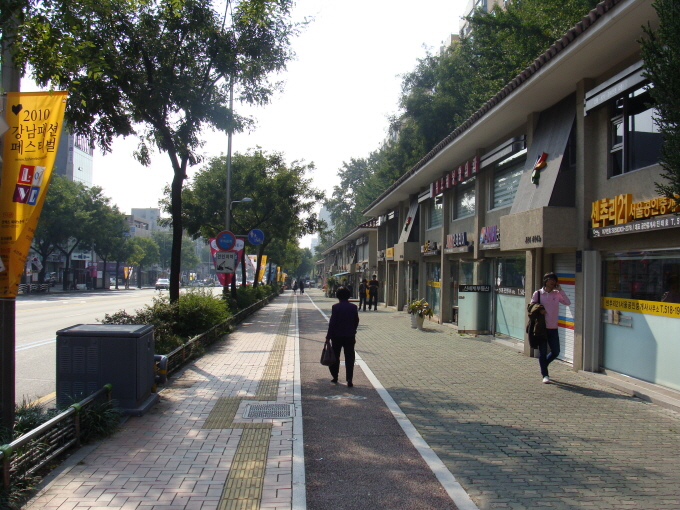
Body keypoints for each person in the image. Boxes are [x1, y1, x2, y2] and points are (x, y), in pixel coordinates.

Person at [530, 272, 571, 384]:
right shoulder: (538, 293)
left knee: (556, 351)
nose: (552, 282)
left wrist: (561, 290)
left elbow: (567, 302)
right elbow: (531, 307)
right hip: (541, 328)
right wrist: (539, 309)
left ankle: (544, 364)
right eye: (550, 279)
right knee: (542, 352)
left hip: (553, 327)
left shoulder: (557, 294)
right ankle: (545, 375)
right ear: (545, 281)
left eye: (554, 280)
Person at [326, 286, 359, 387]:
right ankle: (349, 379)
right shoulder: (353, 307)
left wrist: (328, 336)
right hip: (349, 335)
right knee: (349, 357)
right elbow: (356, 320)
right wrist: (353, 329)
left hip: (337, 336)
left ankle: (335, 376)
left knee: (335, 356)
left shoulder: (335, 307)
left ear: (338, 296)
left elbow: (332, 323)